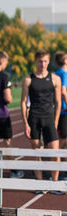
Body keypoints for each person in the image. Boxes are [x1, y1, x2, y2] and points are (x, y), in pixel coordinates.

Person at [21, 49, 61, 191]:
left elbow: (58, 102)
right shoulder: (28, 79)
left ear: (48, 62)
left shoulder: (55, 78)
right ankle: (40, 184)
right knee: (36, 153)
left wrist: (56, 121)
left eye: (45, 61)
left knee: (55, 153)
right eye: (40, 61)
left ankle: (54, 184)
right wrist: (26, 123)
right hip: (34, 118)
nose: (42, 64)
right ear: (35, 61)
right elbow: (24, 102)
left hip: (49, 118)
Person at [54, 51, 67, 180]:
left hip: (59, 109)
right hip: (64, 110)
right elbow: (63, 91)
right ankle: (63, 169)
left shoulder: (57, 72)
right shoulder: (63, 73)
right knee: (64, 140)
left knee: (62, 140)